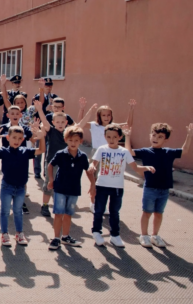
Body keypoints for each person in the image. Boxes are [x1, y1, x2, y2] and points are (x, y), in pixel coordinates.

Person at [125, 122, 193, 248]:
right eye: (153, 135)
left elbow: (184, 150)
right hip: (150, 188)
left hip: (164, 190)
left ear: (166, 139)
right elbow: (129, 151)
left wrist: (189, 136)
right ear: (150, 136)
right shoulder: (145, 151)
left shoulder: (169, 152)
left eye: (160, 137)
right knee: (147, 212)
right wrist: (127, 136)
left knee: (159, 213)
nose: (155, 138)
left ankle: (155, 236)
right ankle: (144, 236)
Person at [35, 89, 98, 217]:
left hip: (66, 164)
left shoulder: (69, 132)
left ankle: (60, 205)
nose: (60, 124)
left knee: (62, 184)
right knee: (49, 183)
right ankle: (45, 205)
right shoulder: (51, 130)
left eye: (62, 122)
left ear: (66, 123)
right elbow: (45, 122)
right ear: (53, 123)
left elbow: (80, 125)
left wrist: (89, 111)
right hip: (52, 161)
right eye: (57, 122)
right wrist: (40, 110)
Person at [90, 124, 155, 248]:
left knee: (114, 212)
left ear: (120, 137)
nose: (111, 139)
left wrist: (146, 167)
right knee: (99, 210)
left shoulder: (124, 152)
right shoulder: (101, 149)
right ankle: (97, 232)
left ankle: (115, 236)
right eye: (108, 137)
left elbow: (135, 167)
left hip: (117, 187)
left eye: (114, 137)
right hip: (102, 185)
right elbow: (94, 163)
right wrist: (92, 166)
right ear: (105, 136)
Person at [0, 121, 46, 246]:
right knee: (5, 211)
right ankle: (5, 234)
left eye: (19, 138)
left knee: (18, 211)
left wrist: (41, 137)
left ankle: (19, 233)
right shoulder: (4, 151)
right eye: (14, 137)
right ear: (8, 138)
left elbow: (42, 150)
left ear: (23, 139)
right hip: (7, 186)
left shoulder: (25, 151)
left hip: (21, 188)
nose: (17, 140)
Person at [81, 99, 136, 211]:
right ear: (99, 116)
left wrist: (131, 109)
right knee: (94, 179)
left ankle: (102, 203)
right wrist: (84, 109)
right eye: (103, 115)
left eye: (108, 115)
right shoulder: (94, 125)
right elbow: (81, 123)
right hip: (97, 153)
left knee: (104, 180)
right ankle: (93, 202)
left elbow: (128, 124)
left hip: (110, 154)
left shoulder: (113, 126)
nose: (106, 117)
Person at [46, 126, 95, 250]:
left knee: (68, 214)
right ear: (66, 140)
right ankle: (56, 238)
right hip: (60, 189)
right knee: (58, 214)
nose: (73, 143)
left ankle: (65, 236)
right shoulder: (61, 154)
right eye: (71, 140)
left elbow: (88, 171)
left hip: (74, 190)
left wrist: (92, 184)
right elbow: (50, 165)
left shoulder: (83, 156)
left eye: (76, 140)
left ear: (81, 141)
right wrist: (51, 180)